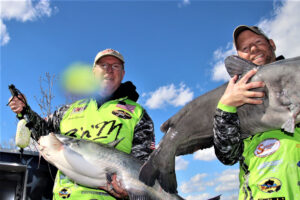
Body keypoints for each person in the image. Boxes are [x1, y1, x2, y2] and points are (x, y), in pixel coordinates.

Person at [9, 48, 155, 200]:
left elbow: (144, 167)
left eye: (115, 66)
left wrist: (131, 194)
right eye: (103, 65)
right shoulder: (69, 110)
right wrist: (25, 110)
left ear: (123, 73)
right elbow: (44, 135)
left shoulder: (138, 114)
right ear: (93, 72)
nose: (109, 70)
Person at [213, 25, 300, 199]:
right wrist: (226, 107)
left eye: (258, 41)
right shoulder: (232, 96)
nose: (253, 48)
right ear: (240, 57)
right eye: (245, 48)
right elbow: (228, 156)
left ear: (272, 44)